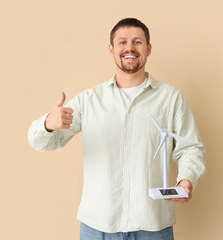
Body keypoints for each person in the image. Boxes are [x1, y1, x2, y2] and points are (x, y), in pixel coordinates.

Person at [28, 18, 206, 240]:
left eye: (137, 42)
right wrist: (47, 124)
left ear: (149, 49)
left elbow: (191, 148)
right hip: (98, 228)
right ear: (111, 49)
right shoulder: (88, 101)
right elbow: (38, 142)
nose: (129, 48)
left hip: (153, 226)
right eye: (122, 42)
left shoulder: (171, 98)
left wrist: (186, 180)